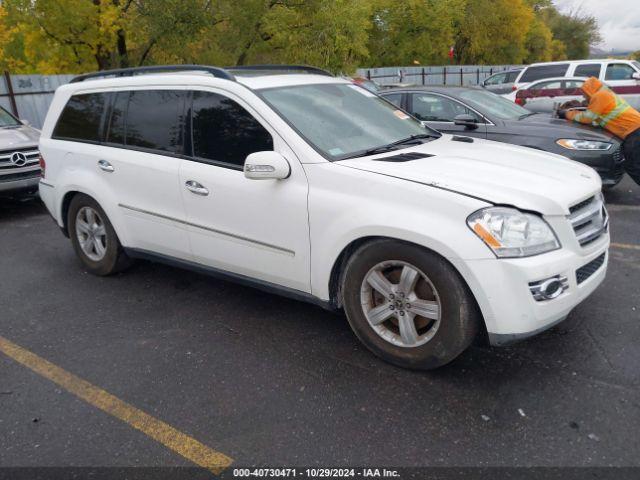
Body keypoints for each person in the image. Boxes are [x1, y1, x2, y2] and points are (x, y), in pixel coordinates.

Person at [559, 77, 640, 186]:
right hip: (634, 129)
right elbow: (598, 120)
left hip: (634, 131)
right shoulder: (605, 94)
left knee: (632, 165)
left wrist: (566, 114)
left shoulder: (600, 96)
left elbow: (587, 118)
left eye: (584, 93)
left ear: (589, 90)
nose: (583, 96)